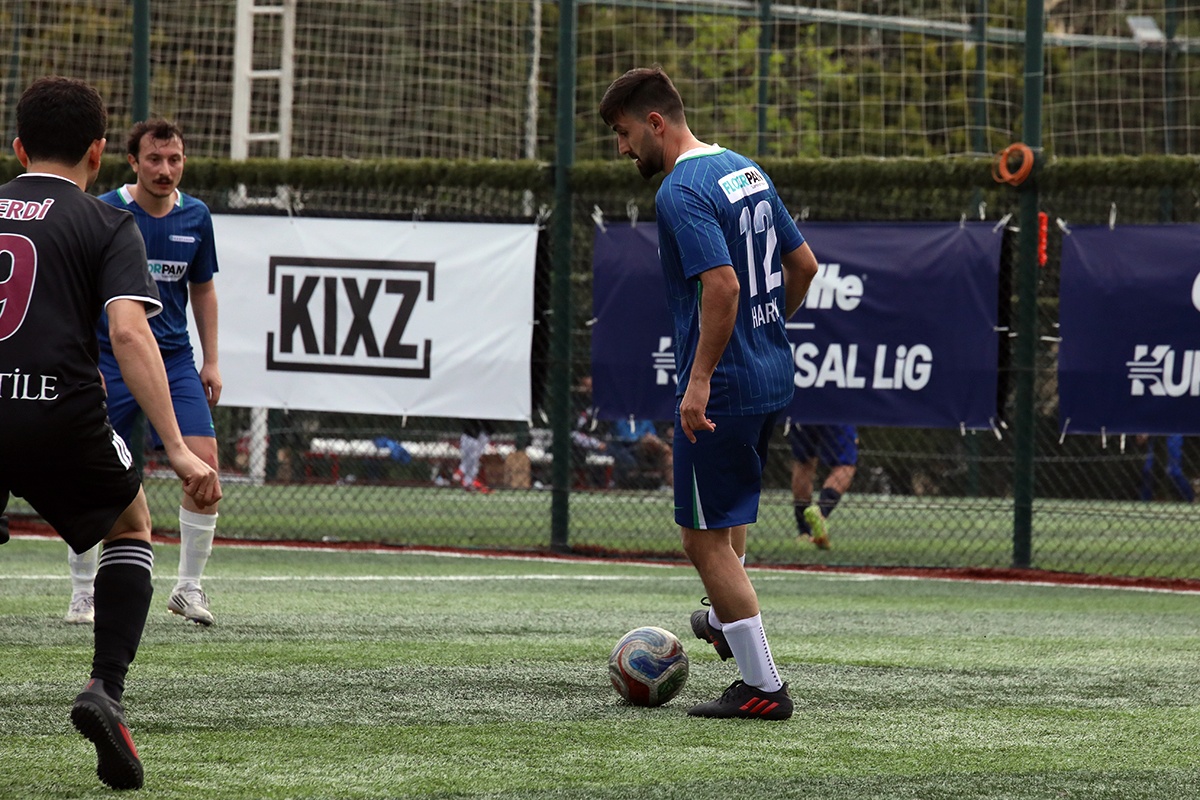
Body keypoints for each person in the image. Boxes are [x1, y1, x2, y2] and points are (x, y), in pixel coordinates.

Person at [0, 76, 221, 790]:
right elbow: (129, 333)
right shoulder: (105, 223)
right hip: (58, 412)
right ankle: (106, 690)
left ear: (18, 148)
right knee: (130, 524)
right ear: (98, 153)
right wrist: (177, 448)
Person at [600, 66, 818, 720]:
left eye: (624, 133)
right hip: (770, 375)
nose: (623, 148)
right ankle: (725, 622)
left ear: (656, 122)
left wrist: (698, 383)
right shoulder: (745, 169)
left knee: (701, 541)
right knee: (726, 518)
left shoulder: (680, 190)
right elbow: (804, 266)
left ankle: (763, 688)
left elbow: (722, 286)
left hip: (722, 387)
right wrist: (765, 333)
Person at [64, 118, 223, 628]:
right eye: (154, 159)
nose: (165, 169)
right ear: (132, 161)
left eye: (174, 159)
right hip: (110, 358)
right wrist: (86, 359)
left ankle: (188, 587)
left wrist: (211, 360)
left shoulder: (196, 216)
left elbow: (203, 288)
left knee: (205, 463)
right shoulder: (104, 212)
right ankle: (83, 591)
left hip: (172, 359)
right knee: (91, 467)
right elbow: (78, 294)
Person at [789, 423, 858, 549]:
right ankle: (820, 512)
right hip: (836, 413)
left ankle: (804, 532)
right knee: (845, 466)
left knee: (803, 463)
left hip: (802, 414)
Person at [609, 417, 673, 489]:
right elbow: (624, 436)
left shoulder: (645, 418)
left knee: (666, 454)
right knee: (650, 440)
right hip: (626, 446)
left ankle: (672, 485)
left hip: (648, 447)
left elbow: (652, 433)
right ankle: (666, 449)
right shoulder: (620, 419)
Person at [1137, 434, 1194, 503]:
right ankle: (1144, 501)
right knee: (1147, 470)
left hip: (1172, 431)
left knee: (1173, 471)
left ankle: (1190, 499)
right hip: (1155, 433)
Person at [454, 419, 494, 493]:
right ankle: (464, 473)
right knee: (476, 430)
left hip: (473, 440)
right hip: (470, 439)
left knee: (486, 430)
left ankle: (466, 478)